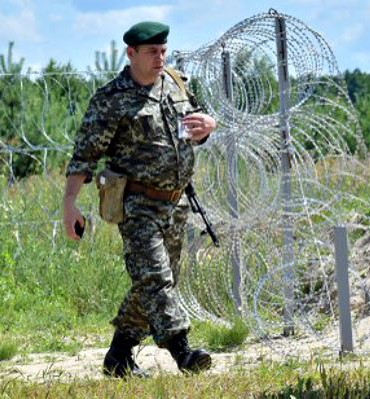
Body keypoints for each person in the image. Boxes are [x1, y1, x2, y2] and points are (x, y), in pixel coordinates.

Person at [62, 21, 216, 378]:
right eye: (152, 53)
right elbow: (84, 156)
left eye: (163, 51)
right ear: (131, 53)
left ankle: (118, 357)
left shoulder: (178, 85)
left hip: (176, 203)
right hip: (136, 205)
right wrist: (69, 203)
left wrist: (208, 127)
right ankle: (183, 352)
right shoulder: (112, 99)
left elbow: (196, 129)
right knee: (156, 279)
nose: (160, 58)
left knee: (154, 283)